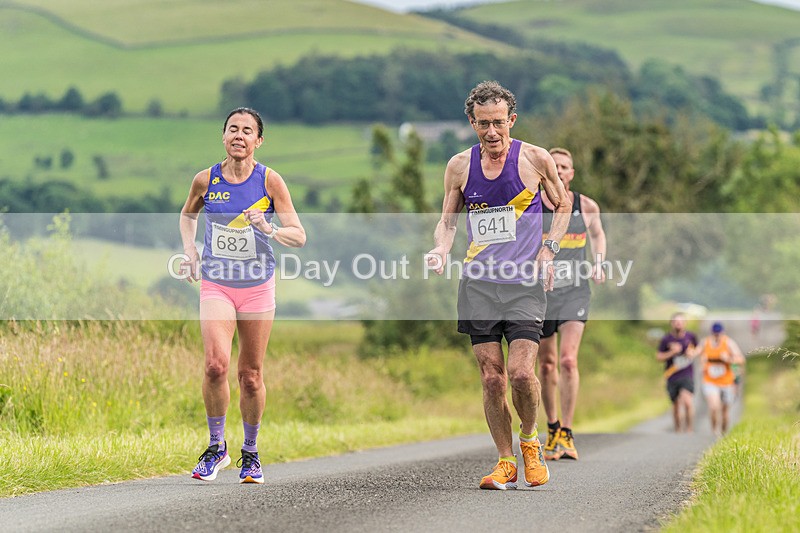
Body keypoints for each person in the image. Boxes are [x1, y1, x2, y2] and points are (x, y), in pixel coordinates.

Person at [427, 81, 571, 490]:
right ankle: (505, 460)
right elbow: (448, 220)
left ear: (512, 120)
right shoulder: (459, 166)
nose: (492, 132)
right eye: (483, 124)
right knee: (492, 377)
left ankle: (530, 439)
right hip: (478, 284)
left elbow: (562, 203)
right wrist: (440, 249)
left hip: (524, 283)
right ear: (472, 123)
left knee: (522, 373)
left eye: (499, 123)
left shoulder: (536, 159)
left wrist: (550, 248)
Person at [179, 107, 306, 483]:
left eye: (247, 131)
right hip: (217, 283)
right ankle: (216, 447)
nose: (239, 135)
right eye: (232, 129)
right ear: (223, 137)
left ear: (258, 141)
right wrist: (190, 250)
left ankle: (250, 453)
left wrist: (268, 227)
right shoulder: (205, 180)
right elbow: (188, 215)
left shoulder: (271, 181)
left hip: (257, 288)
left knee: (250, 375)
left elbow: (299, 235)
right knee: (215, 365)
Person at [538, 147, 606, 461]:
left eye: (565, 166)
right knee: (547, 364)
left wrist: (600, 262)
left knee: (567, 360)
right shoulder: (532, 206)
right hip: (540, 293)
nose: (561, 171)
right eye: (555, 166)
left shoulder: (586, 205)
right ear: (546, 171)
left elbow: (598, 234)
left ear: (572, 173)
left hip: (575, 290)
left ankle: (567, 431)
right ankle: (551, 427)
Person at [656, 313, 699, 433]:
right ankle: (678, 430)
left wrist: (692, 353)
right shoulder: (666, 339)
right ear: (671, 323)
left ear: (685, 323)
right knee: (676, 406)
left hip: (686, 374)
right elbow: (658, 357)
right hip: (672, 375)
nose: (678, 324)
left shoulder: (690, 336)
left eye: (680, 322)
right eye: (676, 322)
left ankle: (689, 429)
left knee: (687, 402)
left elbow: (698, 349)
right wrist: (672, 352)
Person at [700, 322, 745, 436]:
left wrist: (728, 359)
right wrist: (701, 359)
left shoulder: (729, 343)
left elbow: (741, 360)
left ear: (722, 333)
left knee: (725, 411)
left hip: (726, 382)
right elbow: (696, 352)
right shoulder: (706, 342)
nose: (716, 336)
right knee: (714, 407)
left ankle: (724, 434)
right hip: (710, 381)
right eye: (714, 334)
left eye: (718, 334)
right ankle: (714, 431)